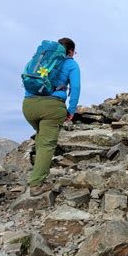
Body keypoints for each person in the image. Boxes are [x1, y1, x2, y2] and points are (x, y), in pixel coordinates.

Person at [22, 38, 81, 196]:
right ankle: (36, 185)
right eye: (74, 51)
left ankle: (37, 172)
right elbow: (75, 88)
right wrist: (71, 110)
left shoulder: (42, 59)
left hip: (28, 105)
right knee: (48, 144)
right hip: (52, 107)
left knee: (42, 137)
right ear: (70, 51)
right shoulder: (71, 64)